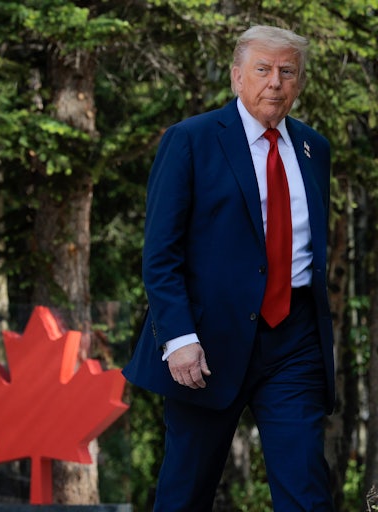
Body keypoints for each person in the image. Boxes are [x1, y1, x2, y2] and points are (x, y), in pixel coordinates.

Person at [122, 25, 335, 511]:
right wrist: (178, 338)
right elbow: (161, 252)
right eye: (263, 70)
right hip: (206, 343)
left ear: (299, 82)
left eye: (287, 72)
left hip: (295, 339)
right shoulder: (191, 140)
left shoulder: (313, 148)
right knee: (187, 490)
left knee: (306, 487)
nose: (275, 83)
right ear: (238, 77)